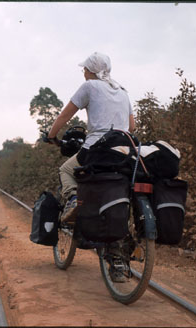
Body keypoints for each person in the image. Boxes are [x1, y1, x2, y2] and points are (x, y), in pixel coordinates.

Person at [47, 52, 135, 224]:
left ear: (91, 71)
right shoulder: (122, 91)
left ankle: (73, 200)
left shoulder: (90, 86)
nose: (84, 73)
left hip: (97, 149)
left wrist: (51, 136)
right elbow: (132, 127)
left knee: (65, 170)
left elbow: (64, 116)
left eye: (84, 69)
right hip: (124, 150)